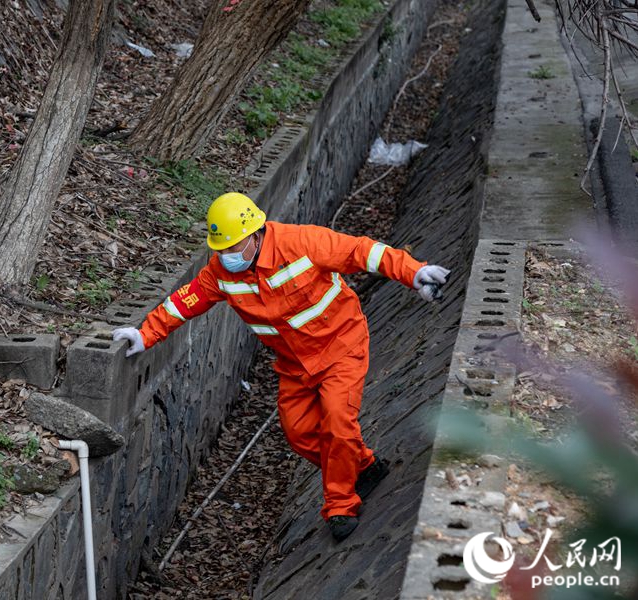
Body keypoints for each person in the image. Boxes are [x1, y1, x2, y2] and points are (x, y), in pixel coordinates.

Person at [112, 192, 450, 542]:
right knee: (299, 432)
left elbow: (362, 252)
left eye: (233, 248)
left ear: (256, 234)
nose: (226, 256)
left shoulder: (302, 242)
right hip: (294, 362)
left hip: (340, 346)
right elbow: (188, 300)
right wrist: (144, 335)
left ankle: (340, 505)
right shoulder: (222, 273)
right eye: (221, 250)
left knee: (337, 420)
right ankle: (362, 466)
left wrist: (415, 273)